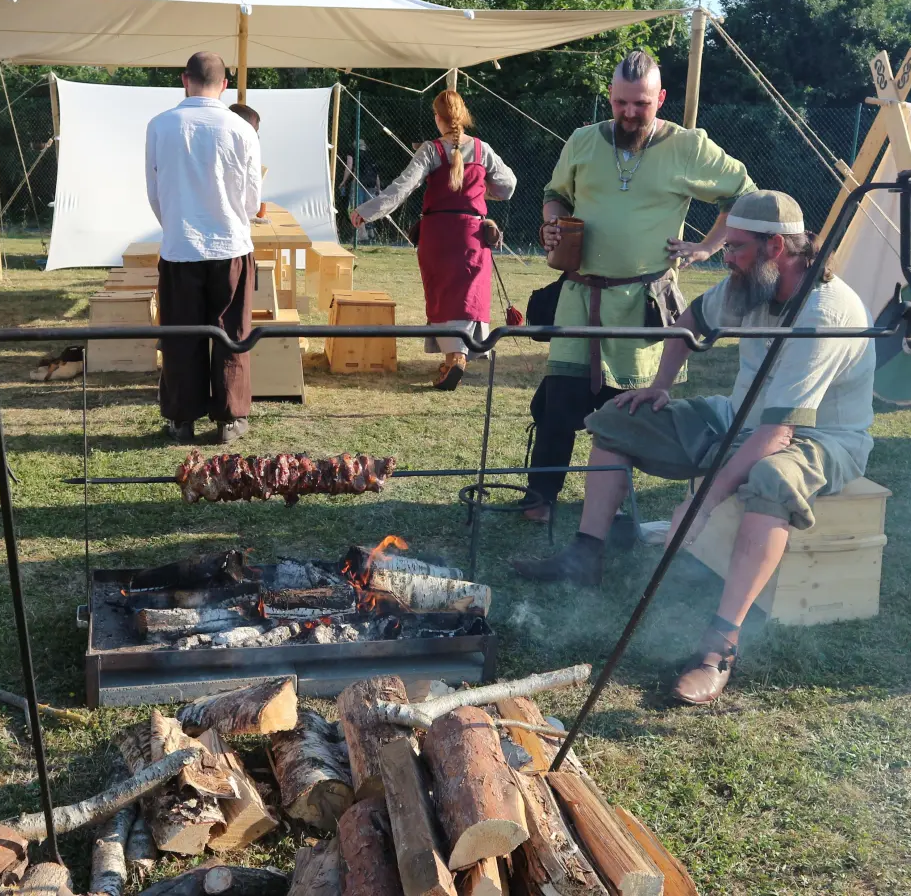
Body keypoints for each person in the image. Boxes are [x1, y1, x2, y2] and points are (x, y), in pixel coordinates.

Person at [512, 191, 877, 706]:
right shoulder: (748, 283)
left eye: (737, 248)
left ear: (776, 246)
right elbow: (688, 323)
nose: (725, 257)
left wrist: (702, 502)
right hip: (742, 420)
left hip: (821, 438)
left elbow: (779, 434)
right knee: (617, 419)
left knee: (769, 478)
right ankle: (585, 556)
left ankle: (719, 646)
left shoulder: (823, 314)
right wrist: (662, 384)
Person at [526, 51, 755, 518]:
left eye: (641, 104)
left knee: (626, 410)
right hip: (578, 296)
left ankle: (614, 508)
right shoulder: (583, 141)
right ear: (609, 97)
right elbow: (555, 195)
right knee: (558, 401)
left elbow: (743, 192)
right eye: (621, 103)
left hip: (641, 303)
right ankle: (540, 498)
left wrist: (708, 246)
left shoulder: (688, 148)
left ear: (661, 98)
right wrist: (553, 225)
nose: (630, 113)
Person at [350, 90, 517, 389]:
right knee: (467, 298)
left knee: (443, 299)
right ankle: (458, 356)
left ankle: (454, 359)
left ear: (438, 118)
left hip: (438, 236)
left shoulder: (429, 150)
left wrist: (366, 212)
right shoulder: (482, 150)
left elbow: (401, 188)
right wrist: (483, 191)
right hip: (471, 236)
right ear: (463, 116)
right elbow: (508, 185)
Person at [146, 52, 263, 445]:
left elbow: (155, 193)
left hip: (181, 247)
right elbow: (251, 199)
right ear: (225, 85)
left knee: (181, 335)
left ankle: (182, 418)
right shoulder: (242, 128)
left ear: (185, 79)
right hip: (230, 245)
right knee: (231, 332)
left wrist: (178, 225)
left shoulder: (159, 126)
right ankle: (230, 418)